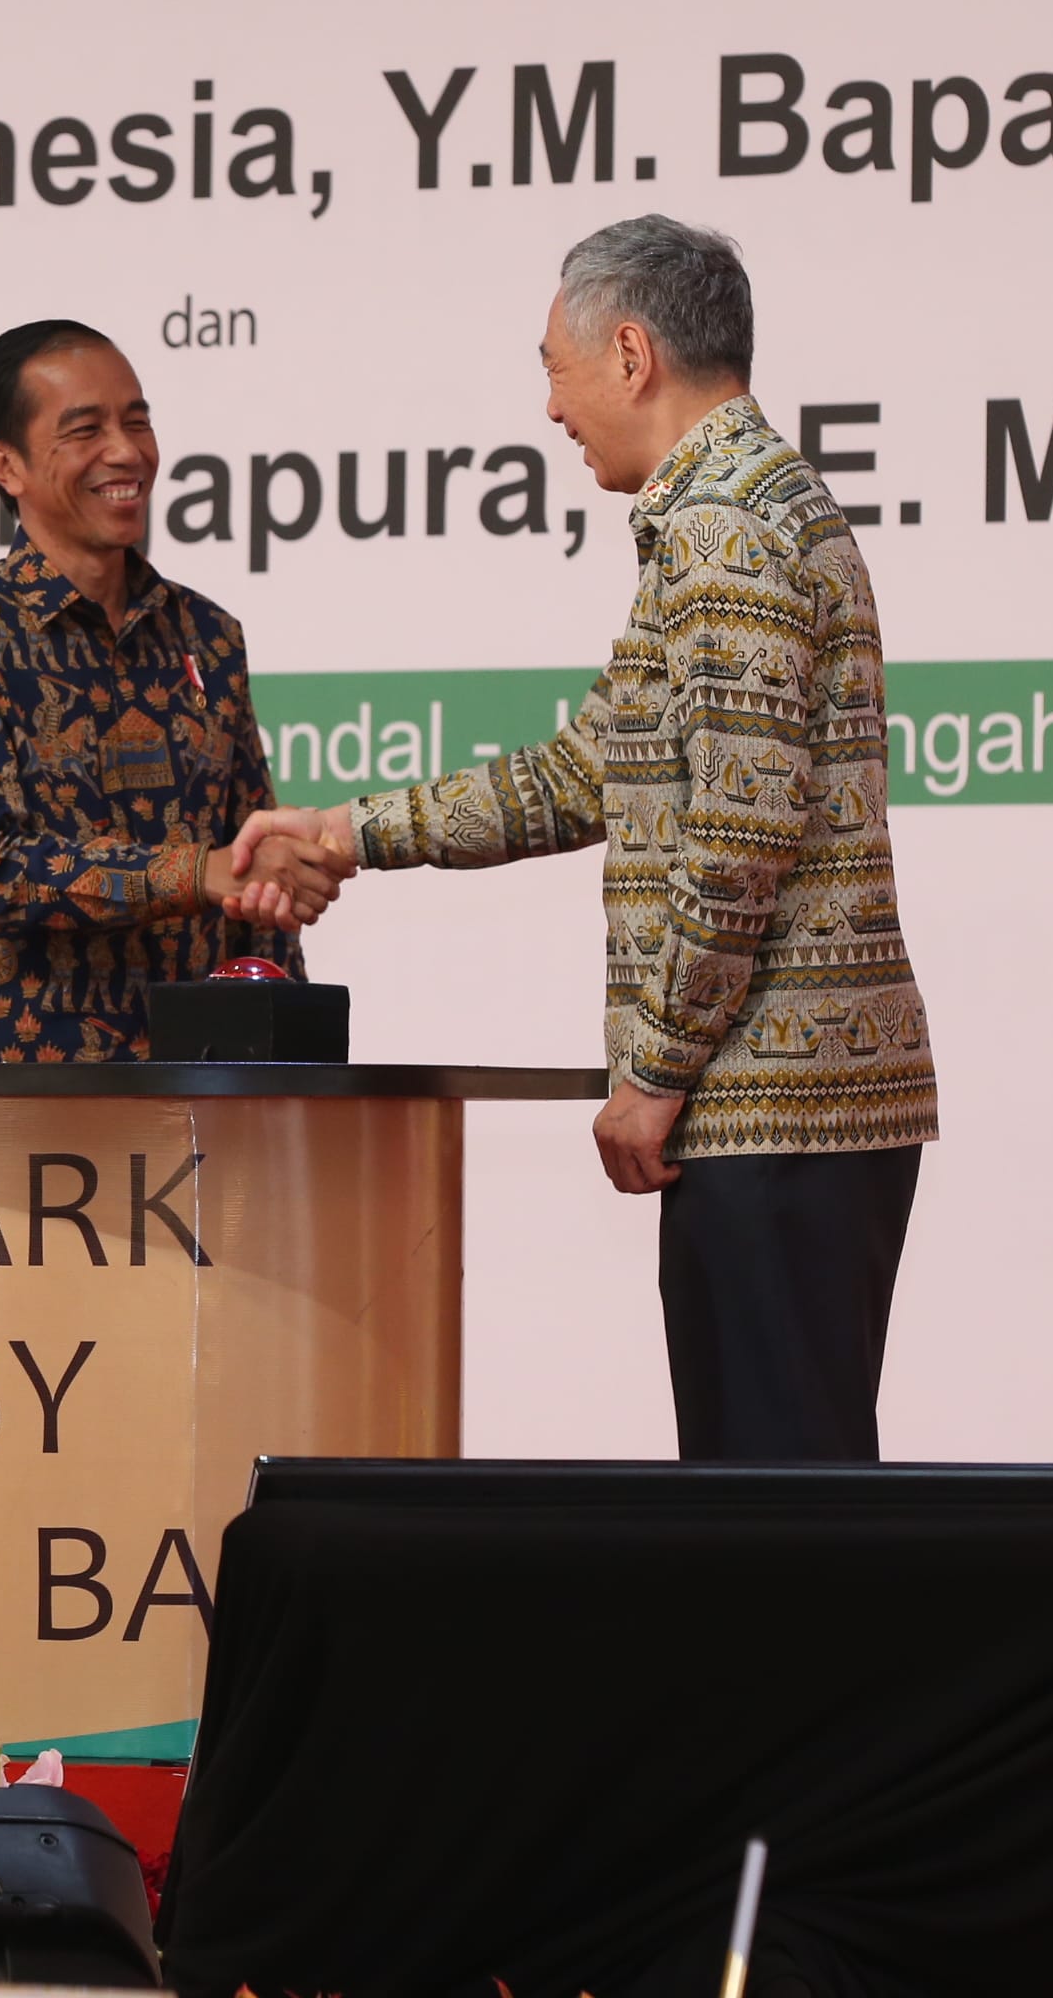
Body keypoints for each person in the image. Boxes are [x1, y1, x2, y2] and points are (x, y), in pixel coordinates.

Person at [240, 217, 937, 1458]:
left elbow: (741, 830)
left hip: (771, 1110)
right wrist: (348, 833)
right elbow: (586, 772)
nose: (551, 408)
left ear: (630, 354)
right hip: (788, 1109)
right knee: (789, 1497)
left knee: (782, 1512)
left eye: (556, 370)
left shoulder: (724, 526)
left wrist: (654, 1072)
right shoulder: (740, 507)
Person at [0, 320, 351, 1063]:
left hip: (202, 1084)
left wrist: (293, 1057)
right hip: (25, 1088)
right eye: (85, 430)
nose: (127, 451)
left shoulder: (208, 635)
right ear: (7, 464)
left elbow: (250, 859)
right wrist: (200, 872)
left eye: (137, 422)